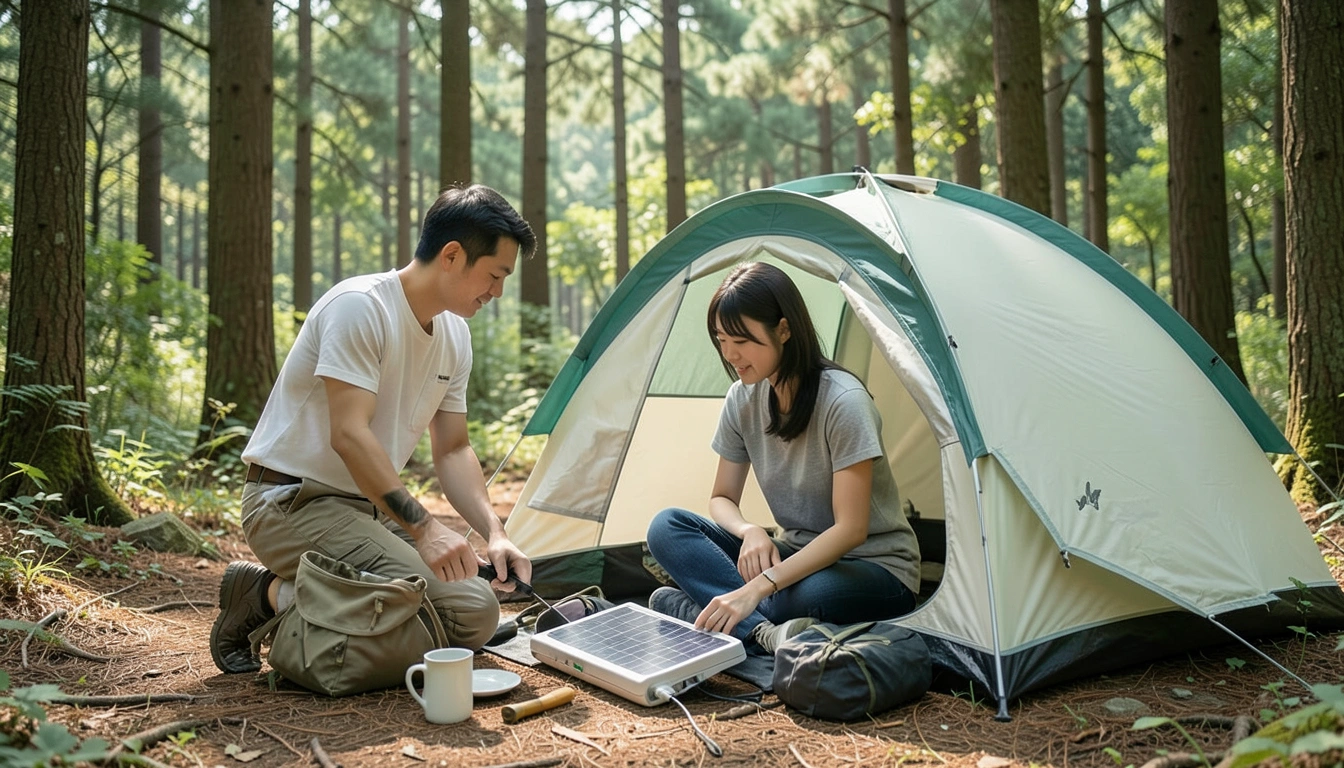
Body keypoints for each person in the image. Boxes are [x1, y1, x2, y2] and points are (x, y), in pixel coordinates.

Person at [209, 184, 537, 675]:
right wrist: (424, 529)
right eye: (494, 275)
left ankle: (316, 601)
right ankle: (265, 594)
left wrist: (495, 532)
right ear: (452, 255)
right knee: (444, 614)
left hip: (369, 509)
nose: (498, 292)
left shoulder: (455, 336)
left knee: (475, 612)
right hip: (291, 501)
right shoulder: (360, 307)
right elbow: (349, 434)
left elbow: (453, 449)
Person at [645, 262, 920, 654]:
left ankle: (696, 609)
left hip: (874, 568)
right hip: (793, 553)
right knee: (666, 527)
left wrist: (759, 586)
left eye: (742, 340)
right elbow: (721, 498)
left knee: (803, 596)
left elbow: (850, 530)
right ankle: (764, 633)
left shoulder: (844, 403)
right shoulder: (742, 399)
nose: (730, 354)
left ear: (784, 330)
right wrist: (750, 531)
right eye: (721, 339)